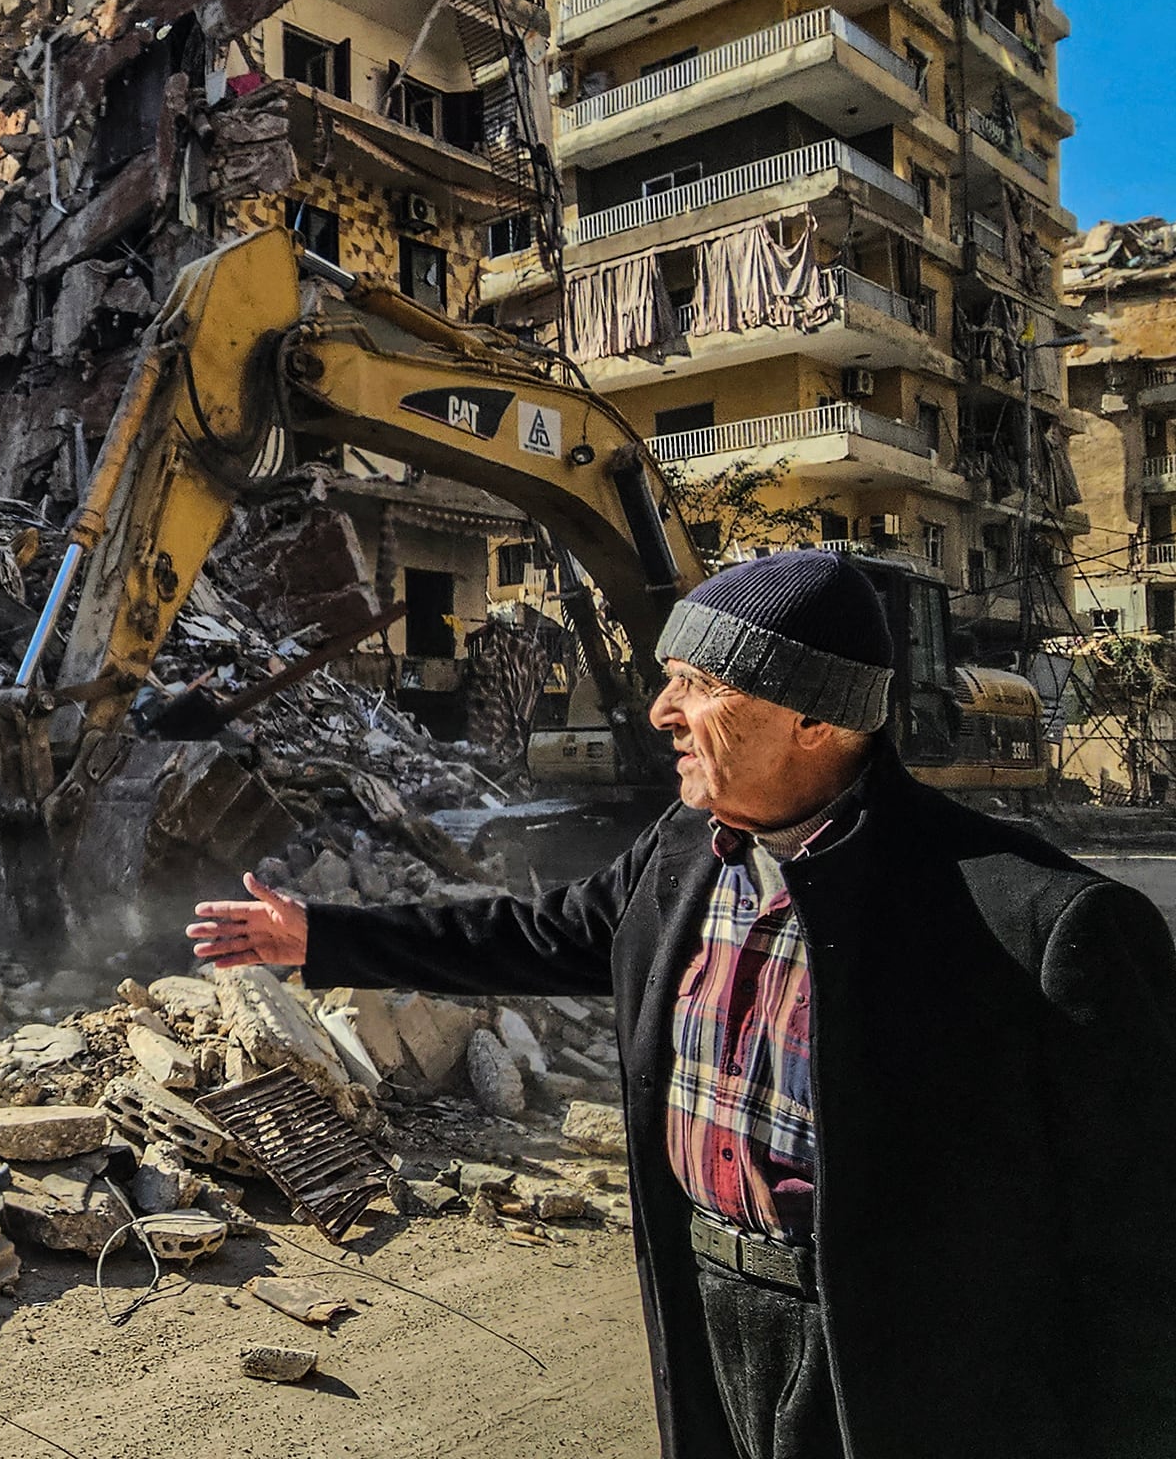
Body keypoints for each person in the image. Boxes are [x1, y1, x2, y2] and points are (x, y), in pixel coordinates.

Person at [187, 552, 1176, 1459]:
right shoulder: (686, 852)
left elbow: (1138, 1257)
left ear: (812, 716)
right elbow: (533, 934)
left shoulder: (1040, 925)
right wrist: (320, 937)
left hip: (905, 1356)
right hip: (707, 1312)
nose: (662, 710)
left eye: (699, 683)